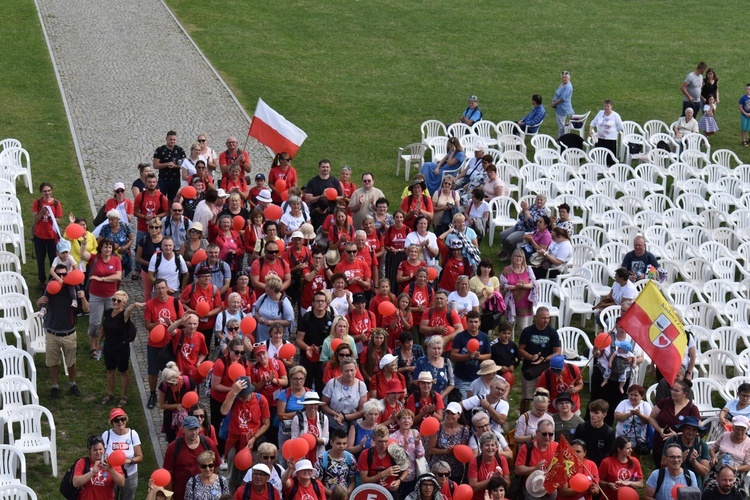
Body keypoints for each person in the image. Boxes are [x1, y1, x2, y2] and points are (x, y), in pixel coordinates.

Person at [36, 264, 88, 399]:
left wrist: (82, 298)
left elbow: (87, 310)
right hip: (52, 333)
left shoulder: (74, 289)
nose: (61, 277)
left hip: (69, 333)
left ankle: (73, 384)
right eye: (58, 274)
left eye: (64, 274)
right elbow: (41, 304)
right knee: (53, 362)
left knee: (71, 362)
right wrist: (39, 302)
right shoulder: (51, 287)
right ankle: (55, 387)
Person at [221, 377, 271, 491]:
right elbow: (223, 411)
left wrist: (254, 438)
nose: (242, 398)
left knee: (250, 474)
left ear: (251, 391)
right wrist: (234, 392)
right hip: (234, 441)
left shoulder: (261, 400)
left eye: (245, 395)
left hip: (253, 441)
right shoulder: (233, 395)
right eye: (240, 395)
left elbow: (266, 424)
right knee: (232, 475)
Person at [98, 290, 143, 407]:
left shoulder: (124, 315)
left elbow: (128, 311)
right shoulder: (108, 312)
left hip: (121, 347)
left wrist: (133, 305)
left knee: (123, 371)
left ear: (123, 303)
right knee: (109, 370)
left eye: (119, 301)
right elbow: (104, 328)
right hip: (109, 346)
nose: (115, 302)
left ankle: (123, 395)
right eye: (114, 299)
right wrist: (98, 342)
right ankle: (110, 393)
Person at [162, 416, 222, 500]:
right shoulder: (174, 447)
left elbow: (216, 465)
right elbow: (168, 473)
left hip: (204, 494)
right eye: (190, 429)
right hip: (181, 494)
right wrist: (169, 496)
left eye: (196, 428)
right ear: (183, 429)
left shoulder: (208, 443)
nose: (194, 432)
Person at [518, 307, 561, 413]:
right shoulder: (527, 331)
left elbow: (558, 352)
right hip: (529, 370)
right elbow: (520, 349)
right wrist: (530, 357)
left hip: (546, 370)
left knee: (545, 398)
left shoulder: (552, 332)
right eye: (543, 318)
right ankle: (523, 418)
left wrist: (545, 359)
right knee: (526, 397)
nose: (546, 320)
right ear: (536, 317)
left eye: (548, 318)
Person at [649, 378, 700, 461]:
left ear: (685, 394)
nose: (672, 392)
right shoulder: (664, 402)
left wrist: (677, 435)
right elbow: (652, 418)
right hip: (659, 444)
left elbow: (697, 430)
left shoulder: (692, 409)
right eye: (672, 389)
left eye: (676, 391)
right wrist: (659, 429)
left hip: (679, 448)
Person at [101, 408, 142, 500]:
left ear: (126, 419)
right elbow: (102, 455)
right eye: (116, 420)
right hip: (112, 474)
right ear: (112, 422)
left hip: (130, 474)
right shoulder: (106, 435)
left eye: (122, 419)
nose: (120, 422)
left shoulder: (132, 434)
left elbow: (140, 457)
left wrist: (128, 461)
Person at [661, 416, 710, 489]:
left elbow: (705, 472)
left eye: (694, 430)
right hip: (673, 481)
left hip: (694, 484)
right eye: (688, 429)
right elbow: (662, 465)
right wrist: (679, 459)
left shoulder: (702, 445)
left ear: (697, 432)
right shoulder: (672, 441)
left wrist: (694, 462)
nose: (690, 432)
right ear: (682, 429)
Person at [705, 415, 750, 493]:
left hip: (735, 473)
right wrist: (714, 457)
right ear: (733, 427)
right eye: (737, 429)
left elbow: (748, 465)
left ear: (746, 430)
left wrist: (735, 469)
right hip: (718, 468)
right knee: (711, 487)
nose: (739, 432)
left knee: (729, 488)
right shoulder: (726, 435)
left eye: (742, 430)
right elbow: (712, 448)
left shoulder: (748, 443)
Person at [514, 421, 559, 498]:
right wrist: (535, 468)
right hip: (532, 489)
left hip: (550, 489)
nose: (547, 437)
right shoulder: (527, 448)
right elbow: (517, 470)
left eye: (550, 434)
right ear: (537, 433)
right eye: (544, 434)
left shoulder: (557, 447)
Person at [451, 311, 491, 397]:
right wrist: (468, 356)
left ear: (480, 322)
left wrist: (479, 356)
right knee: (464, 405)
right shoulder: (460, 336)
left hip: (479, 378)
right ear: (466, 322)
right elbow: (453, 356)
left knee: (480, 405)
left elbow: (489, 355)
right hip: (462, 379)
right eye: (471, 321)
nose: (473, 324)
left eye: (476, 322)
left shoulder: (485, 337)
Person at [322, 358, 368, 433]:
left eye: (352, 370)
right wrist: (336, 414)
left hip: (353, 427)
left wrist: (344, 417)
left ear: (356, 370)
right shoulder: (332, 383)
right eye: (346, 371)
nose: (349, 373)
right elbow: (324, 404)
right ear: (341, 371)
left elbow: (362, 411)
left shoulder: (361, 386)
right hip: (334, 424)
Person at [72, 435, 125, 499]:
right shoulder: (82, 462)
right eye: (95, 450)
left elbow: (121, 483)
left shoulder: (111, 462)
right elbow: (75, 483)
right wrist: (92, 472)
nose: (98, 452)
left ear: (104, 449)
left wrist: (110, 469)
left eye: (100, 449)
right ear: (90, 450)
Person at [428, 403, 470, 483]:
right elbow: (431, 449)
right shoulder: (438, 427)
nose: (449, 415)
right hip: (438, 469)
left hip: (455, 470)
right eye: (448, 413)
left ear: (459, 415)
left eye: (453, 413)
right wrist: (445, 451)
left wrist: (455, 450)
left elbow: (463, 452)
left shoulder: (464, 431)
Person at [498, 194, 549, 261]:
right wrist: (523, 209)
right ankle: (506, 251)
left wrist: (526, 211)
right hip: (519, 226)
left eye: (541, 200)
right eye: (538, 199)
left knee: (509, 240)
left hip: (527, 230)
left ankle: (512, 255)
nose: (539, 201)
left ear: (545, 201)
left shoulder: (543, 212)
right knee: (502, 235)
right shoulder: (532, 206)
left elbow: (532, 222)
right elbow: (520, 216)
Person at [32, 182, 63, 289]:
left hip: (52, 237)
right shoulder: (37, 203)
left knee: (53, 259)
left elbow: (59, 220)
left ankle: (52, 278)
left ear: (52, 191)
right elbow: (35, 220)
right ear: (41, 192)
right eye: (45, 191)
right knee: (40, 259)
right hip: (39, 236)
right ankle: (41, 280)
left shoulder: (56, 203)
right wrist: (42, 212)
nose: (47, 193)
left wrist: (51, 217)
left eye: (49, 190)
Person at [390, 408, 426, 497]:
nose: (406, 420)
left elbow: (421, 454)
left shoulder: (415, 433)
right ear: (398, 421)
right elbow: (395, 459)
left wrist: (417, 444)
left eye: (409, 418)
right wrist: (405, 446)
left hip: (413, 477)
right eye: (403, 418)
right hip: (398, 477)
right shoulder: (393, 437)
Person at [468, 432, 511, 500]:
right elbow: (473, 487)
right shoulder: (475, 462)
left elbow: (508, 484)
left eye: (492, 445)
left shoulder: (502, 460)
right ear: (481, 447)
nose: (490, 448)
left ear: (497, 447)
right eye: (487, 445)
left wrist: (500, 478)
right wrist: (492, 479)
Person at [252, 274, 294, 343]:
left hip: (276, 338)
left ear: (273, 289)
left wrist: (273, 323)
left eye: (267, 286)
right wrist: (258, 318)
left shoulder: (284, 302)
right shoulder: (264, 296)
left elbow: (289, 322)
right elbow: (255, 310)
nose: (265, 287)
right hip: (261, 336)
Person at [291, 391, 329, 467]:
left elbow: (326, 438)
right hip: (303, 454)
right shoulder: (298, 418)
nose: (313, 407)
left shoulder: (323, 418)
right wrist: (304, 441)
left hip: (318, 453)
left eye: (315, 404)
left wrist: (318, 440)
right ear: (305, 405)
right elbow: (294, 439)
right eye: (310, 404)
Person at [575, 399, 616, 466]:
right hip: (582, 463)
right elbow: (575, 446)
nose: (592, 415)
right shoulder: (582, 427)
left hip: (599, 466)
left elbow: (609, 454)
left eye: (596, 413)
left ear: (604, 415)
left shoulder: (609, 432)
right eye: (591, 411)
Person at [414, 336, 455, 400]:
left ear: (442, 349)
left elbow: (451, 384)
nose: (436, 351)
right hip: (423, 399)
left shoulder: (447, 362)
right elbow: (415, 381)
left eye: (439, 348)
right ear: (429, 348)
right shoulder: (421, 361)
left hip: (442, 400)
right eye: (434, 348)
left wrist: (441, 397)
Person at [614, 384, 653, 452]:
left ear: (641, 397)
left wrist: (639, 414)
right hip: (621, 440)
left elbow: (650, 420)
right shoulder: (624, 403)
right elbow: (617, 417)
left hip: (638, 442)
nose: (632, 397)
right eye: (631, 394)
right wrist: (630, 413)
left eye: (636, 395)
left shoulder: (645, 405)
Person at [153, 130, 186, 201]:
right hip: (163, 179)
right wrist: (167, 164)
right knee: (161, 199)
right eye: (170, 139)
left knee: (173, 199)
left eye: (174, 140)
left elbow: (185, 165)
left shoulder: (180, 150)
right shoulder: (160, 150)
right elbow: (155, 165)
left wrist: (175, 166)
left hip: (175, 179)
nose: (172, 141)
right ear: (166, 139)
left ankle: (171, 211)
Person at [551, 71, 574, 137]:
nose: (564, 79)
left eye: (565, 77)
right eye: (563, 77)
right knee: (560, 124)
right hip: (559, 107)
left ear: (569, 78)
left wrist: (554, 104)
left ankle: (561, 139)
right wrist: (552, 101)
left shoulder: (568, 87)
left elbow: (562, 98)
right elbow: (557, 93)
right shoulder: (562, 84)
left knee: (561, 125)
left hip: (562, 108)